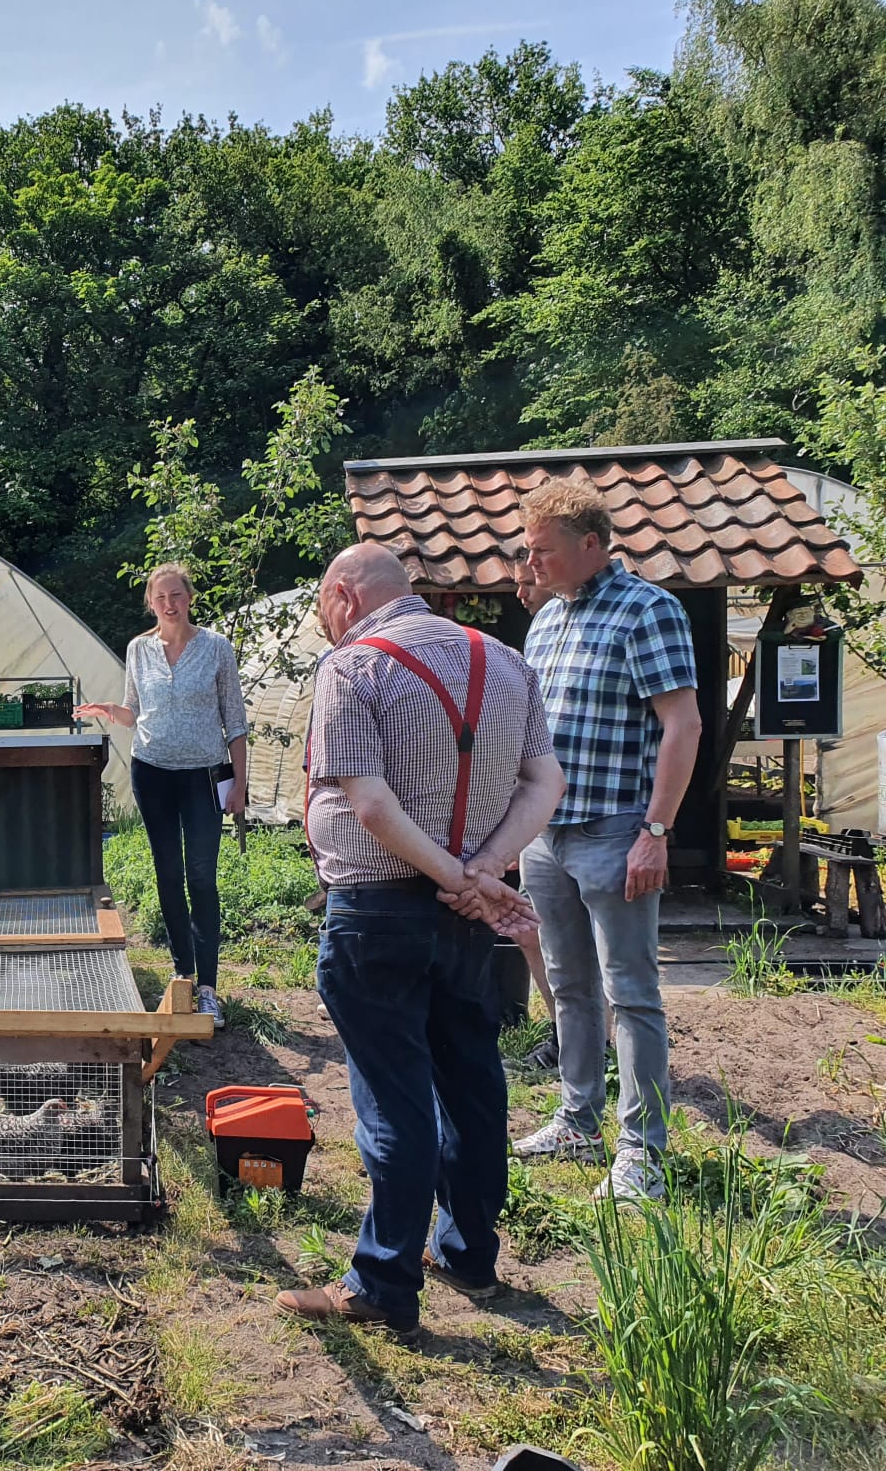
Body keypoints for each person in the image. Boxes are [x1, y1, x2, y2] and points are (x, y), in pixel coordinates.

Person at [276, 545, 563, 1333]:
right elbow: (547, 782)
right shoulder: (505, 660)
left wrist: (455, 873)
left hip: (377, 912)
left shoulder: (354, 667)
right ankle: (470, 1253)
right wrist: (484, 871)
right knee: (471, 1081)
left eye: (325, 610)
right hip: (467, 918)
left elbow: (368, 805)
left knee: (392, 1097)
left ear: (343, 595)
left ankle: (382, 1285)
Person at [507, 479, 700, 1203]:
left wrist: (656, 832)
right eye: (528, 551)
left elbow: (683, 726)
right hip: (549, 834)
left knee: (634, 993)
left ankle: (641, 1152)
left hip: (617, 830)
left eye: (543, 551)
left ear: (592, 545)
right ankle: (577, 1118)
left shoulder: (650, 610)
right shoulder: (548, 620)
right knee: (567, 986)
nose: (531, 565)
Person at [76, 563, 249, 1027]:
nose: (169, 604)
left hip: (203, 776)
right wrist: (113, 710)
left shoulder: (215, 648)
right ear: (151, 603)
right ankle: (183, 979)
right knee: (168, 874)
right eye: (160, 598)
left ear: (190, 597)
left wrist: (241, 782)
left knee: (202, 877)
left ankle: (210, 989)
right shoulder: (139, 649)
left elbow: (234, 720)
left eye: (176, 595)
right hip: (152, 772)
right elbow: (135, 711)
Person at [508, 553, 562, 1074]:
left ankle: (593, 1039)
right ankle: (563, 1030)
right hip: (539, 812)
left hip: (590, 811)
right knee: (531, 929)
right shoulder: (541, 632)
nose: (521, 593)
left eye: (527, 583)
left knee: (577, 938)